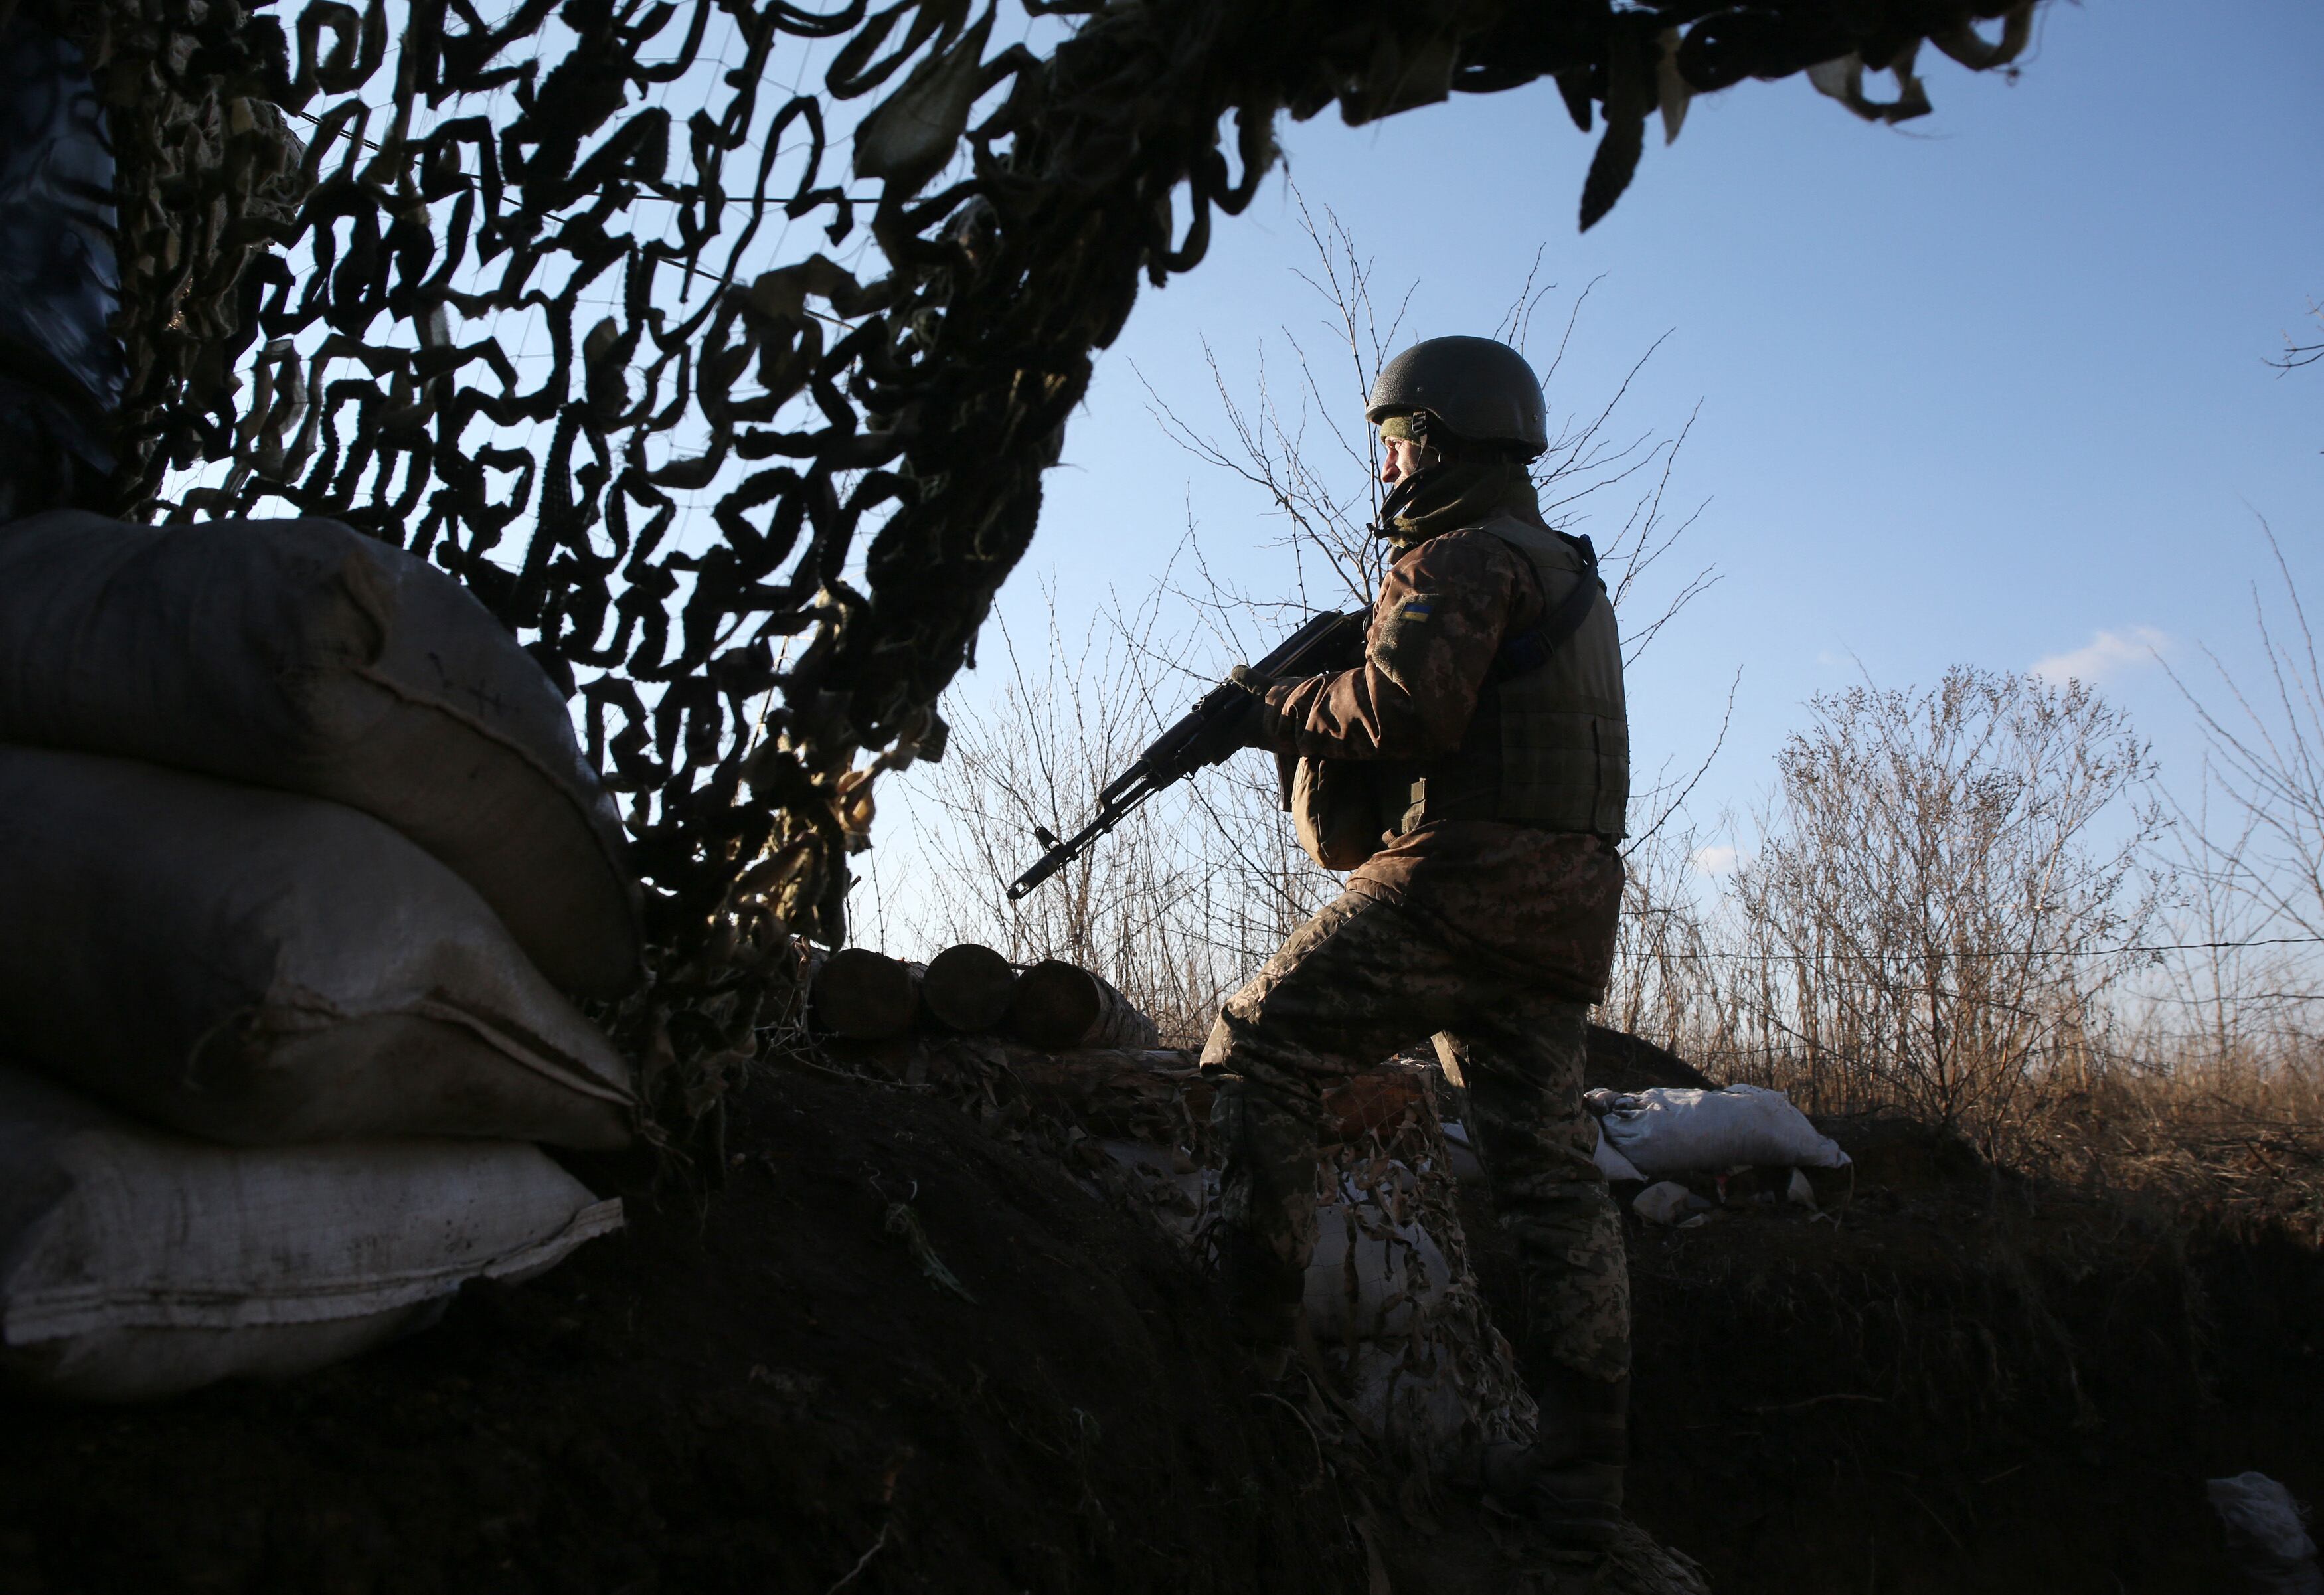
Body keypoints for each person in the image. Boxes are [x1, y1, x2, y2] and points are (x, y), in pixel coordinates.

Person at [1203, 333, 1633, 1555]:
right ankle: (1579, 1496)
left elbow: (1404, 710)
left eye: (1396, 442)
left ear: (1440, 443)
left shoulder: (1459, 556)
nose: (1386, 466)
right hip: (1562, 916)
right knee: (1551, 1181)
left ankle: (1242, 1356)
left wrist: (1270, 708)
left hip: (1461, 889)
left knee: (1257, 1041)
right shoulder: (1568, 575)